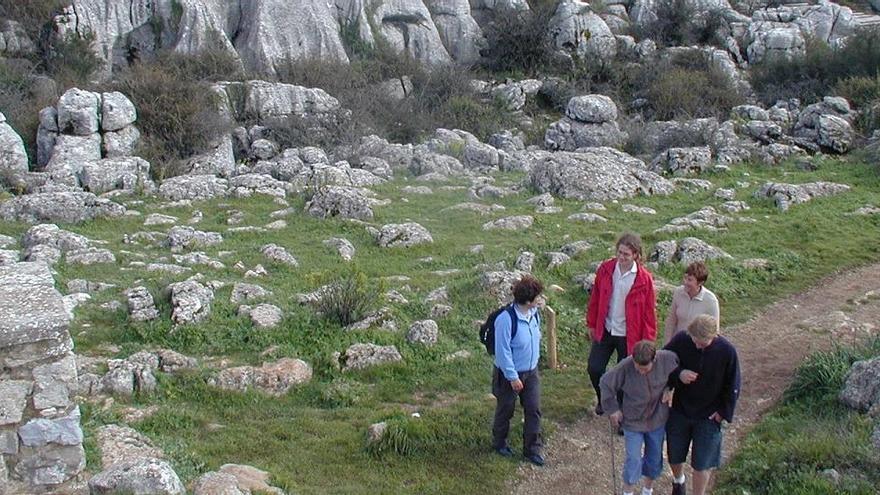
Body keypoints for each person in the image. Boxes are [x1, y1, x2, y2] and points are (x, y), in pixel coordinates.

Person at [664, 315, 741, 495]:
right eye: (695, 341)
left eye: (702, 343)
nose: (697, 345)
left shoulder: (727, 352)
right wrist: (679, 374)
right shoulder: (682, 340)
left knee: (702, 463)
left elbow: (733, 385)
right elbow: (663, 361)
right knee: (674, 453)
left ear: (714, 336)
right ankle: (678, 481)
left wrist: (723, 413)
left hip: (709, 415)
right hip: (681, 409)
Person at [586, 232, 657, 415]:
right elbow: (595, 298)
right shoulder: (606, 269)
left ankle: (621, 412)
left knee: (625, 376)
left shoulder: (644, 279)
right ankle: (604, 399)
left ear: (636, 255)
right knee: (594, 367)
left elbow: (649, 312)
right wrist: (592, 324)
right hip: (607, 329)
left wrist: (648, 341)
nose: (622, 257)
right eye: (620, 252)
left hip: (629, 334)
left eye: (626, 254)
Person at [600, 341, 679, 495]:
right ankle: (628, 491)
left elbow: (679, 371)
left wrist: (671, 388)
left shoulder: (667, 359)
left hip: (657, 418)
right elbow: (605, 383)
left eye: (645, 369)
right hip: (632, 421)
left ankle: (647, 490)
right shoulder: (625, 366)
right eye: (638, 368)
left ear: (654, 359)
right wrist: (613, 409)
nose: (641, 371)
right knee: (633, 458)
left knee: (655, 456)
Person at [492, 275, 546, 466]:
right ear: (528, 300)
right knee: (505, 409)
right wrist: (513, 377)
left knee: (534, 409)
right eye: (537, 297)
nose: (540, 300)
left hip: (531, 372)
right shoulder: (506, 319)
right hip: (509, 375)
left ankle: (532, 449)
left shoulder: (535, 315)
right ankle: (499, 443)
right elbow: (502, 351)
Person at [664, 261, 720, 345]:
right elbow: (671, 321)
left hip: (697, 345)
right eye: (685, 278)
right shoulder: (678, 292)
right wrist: (667, 343)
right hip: (678, 342)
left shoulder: (711, 300)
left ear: (700, 283)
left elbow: (715, 331)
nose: (685, 282)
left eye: (690, 280)